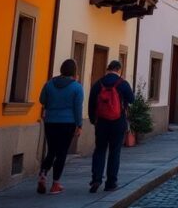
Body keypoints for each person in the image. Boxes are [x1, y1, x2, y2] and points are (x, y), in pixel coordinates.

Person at [37, 59, 84, 195]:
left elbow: (42, 100)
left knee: (51, 151)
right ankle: (55, 184)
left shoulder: (49, 84)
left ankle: (43, 174)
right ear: (74, 71)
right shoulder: (77, 87)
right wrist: (79, 124)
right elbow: (78, 108)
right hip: (67, 123)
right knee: (62, 153)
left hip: (50, 121)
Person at [88, 60, 135, 193]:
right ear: (119, 70)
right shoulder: (122, 83)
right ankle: (111, 183)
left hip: (101, 122)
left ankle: (96, 179)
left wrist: (93, 119)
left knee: (100, 150)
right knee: (115, 152)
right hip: (118, 122)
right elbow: (132, 99)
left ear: (108, 68)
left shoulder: (98, 83)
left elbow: (91, 103)